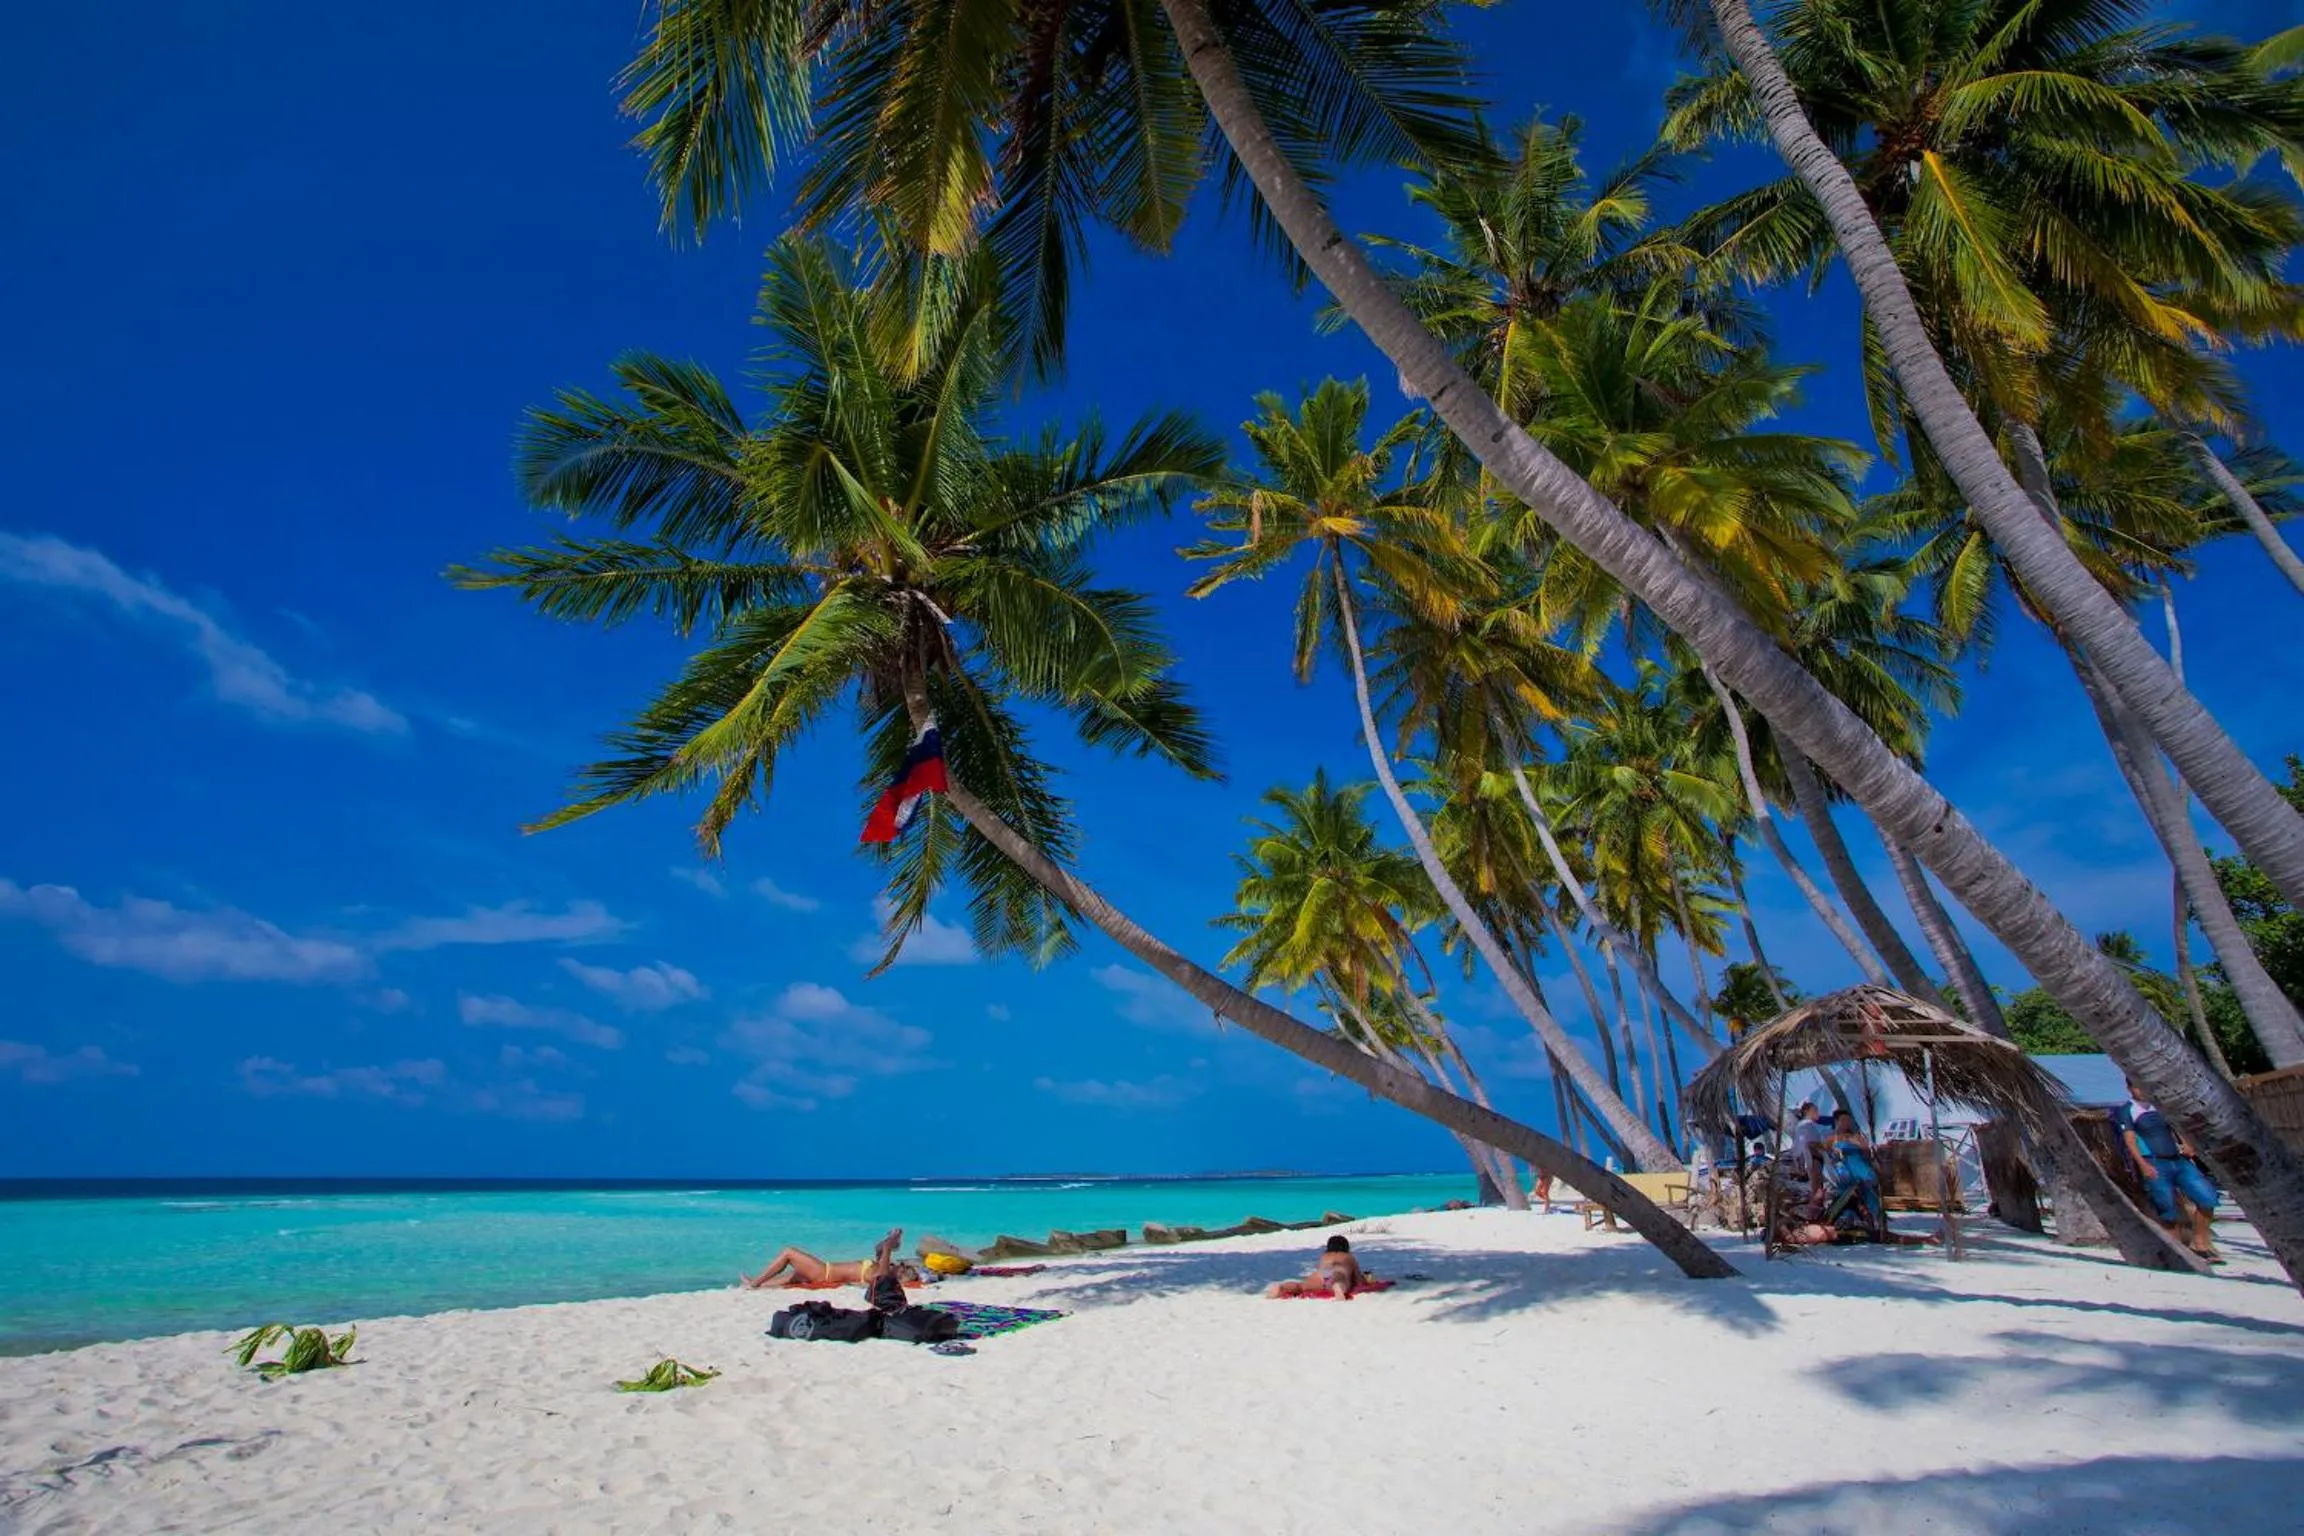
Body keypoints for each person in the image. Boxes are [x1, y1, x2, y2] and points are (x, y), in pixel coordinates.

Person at [2115, 1081, 2223, 1262]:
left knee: (2207, 1198)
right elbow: (2130, 1140)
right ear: (2129, 1088)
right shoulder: (2127, 1110)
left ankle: (2201, 1242)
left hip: (2178, 1161)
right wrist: (2142, 1164)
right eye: (2137, 1087)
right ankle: (2177, 1250)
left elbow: (2177, 1126)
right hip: (2154, 1162)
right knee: (2166, 1209)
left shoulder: (2160, 1106)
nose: (2141, 1091)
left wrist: (2187, 1144)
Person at [740, 1226, 924, 1290]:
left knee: (789, 1252)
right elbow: (880, 1249)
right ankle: (757, 1284)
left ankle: (755, 1282)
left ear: (899, 1275)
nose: (900, 1264)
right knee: (787, 1279)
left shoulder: (881, 1274)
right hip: (824, 1271)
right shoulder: (880, 1266)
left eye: (902, 1267)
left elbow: (885, 1249)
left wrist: (892, 1239)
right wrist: (893, 1238)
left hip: (823, 1272)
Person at [1822, 1110, 1886, 1238]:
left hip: (1860, 1167)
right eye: (1843, 1120)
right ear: (1836, 1122)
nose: (1846, 1123)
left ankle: (1876, 1223)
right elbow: (1823, 1155)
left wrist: (1861, 1146)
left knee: (1869, 1190)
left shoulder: (1857, 1137)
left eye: (1848, 1121)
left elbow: (1867, 1154)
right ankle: (1848, 1219)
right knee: (1846, 1193)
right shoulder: (1830, 1139)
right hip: (1843, 1172)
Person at [1268, 1235, 1375, 1299]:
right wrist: (1366, 1281)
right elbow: (1358, 1280)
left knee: (1301, 1287)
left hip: (1321, 1274)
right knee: (1340, 1282)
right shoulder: (1348, 1257)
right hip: (1338, 1272)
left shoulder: (1324, 1256)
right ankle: (1337, 1288)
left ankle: (1282, 1287)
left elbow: (1322, 1270)